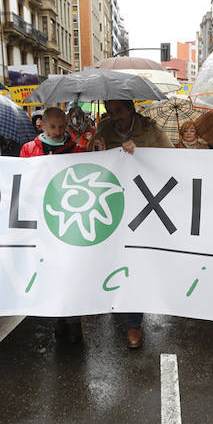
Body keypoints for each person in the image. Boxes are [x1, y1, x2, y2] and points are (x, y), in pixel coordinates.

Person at [89, 99, 172, 348]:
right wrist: (97, 151)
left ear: (131, 109)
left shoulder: (151, 130)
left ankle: (133, 323)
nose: (114, 117)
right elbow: (91, 166)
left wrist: (143, 154)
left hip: (144, 206)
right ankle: (120, 302)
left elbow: (172, 160)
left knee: (134, 261)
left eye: (119, 111)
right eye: (109, 112)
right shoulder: (103, 130)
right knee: (113, 260)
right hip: (112, 206)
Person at [20, 107, 86, 343]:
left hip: (69, 219)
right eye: (52, 127)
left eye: (61, 126)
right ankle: (60, 316)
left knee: (71, 269)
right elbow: (22, 183)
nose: (57, 132)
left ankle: (74, 320)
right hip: (41, 219)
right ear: (43, 126)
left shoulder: (78, 150)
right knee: (52, 269)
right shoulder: (29, 150)